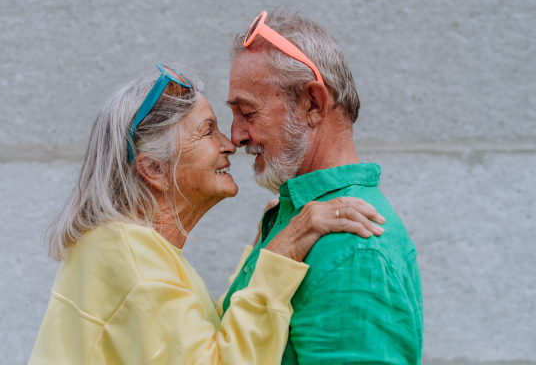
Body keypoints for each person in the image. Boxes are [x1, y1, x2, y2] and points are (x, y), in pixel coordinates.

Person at [28, 64, 386, 364]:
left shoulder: (126, 248)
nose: (230, 143)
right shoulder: (129, 256)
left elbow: (197, 342)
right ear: (154, 169)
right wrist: (285, 249)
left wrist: (266, 244)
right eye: (207, 131)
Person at [223, 9, 424, 364]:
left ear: (312, 103)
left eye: (248, 113)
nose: (236, 136)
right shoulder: (301, 223)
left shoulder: (353, 248)